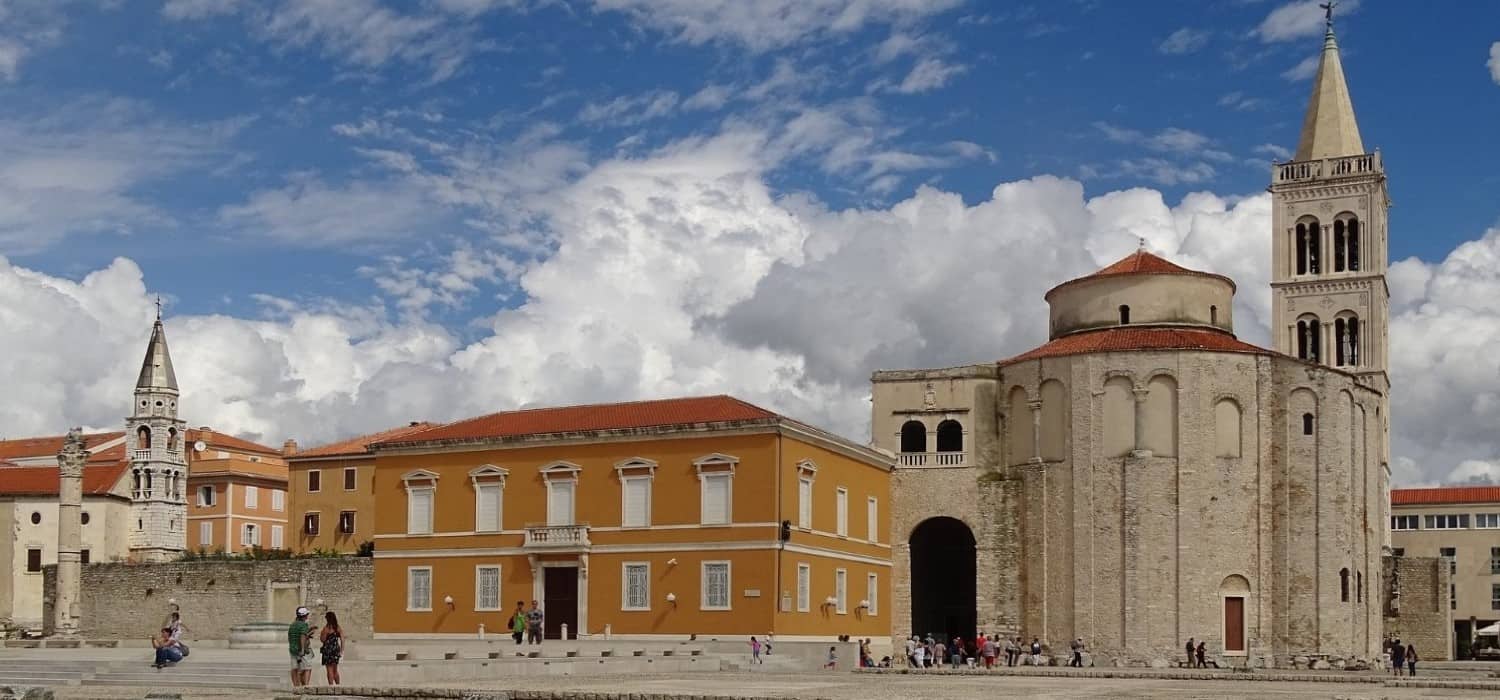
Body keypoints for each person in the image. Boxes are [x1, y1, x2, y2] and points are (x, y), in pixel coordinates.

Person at [288, 606, 317, 687]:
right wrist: (303, 649)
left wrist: (309, 630)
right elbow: (302, 637)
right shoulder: (304, 625)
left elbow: (293, 636)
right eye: (307, 614)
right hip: (302, 650)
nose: (308, 615)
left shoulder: (292, 625)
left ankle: (296, 686)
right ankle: (306, 686)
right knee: (308, 667)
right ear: (304, 615)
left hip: (293, 649)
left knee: (294, 668)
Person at [319, 610, 344, 686]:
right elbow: (343, 639)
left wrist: (321, 634)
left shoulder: (326, 629)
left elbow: (322, 640)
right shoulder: (338, 628)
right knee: (335, 670)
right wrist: (341, 650)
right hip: (336, 650)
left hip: (327, 651)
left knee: (329, 669)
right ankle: (338, 685)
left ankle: (331, 686)